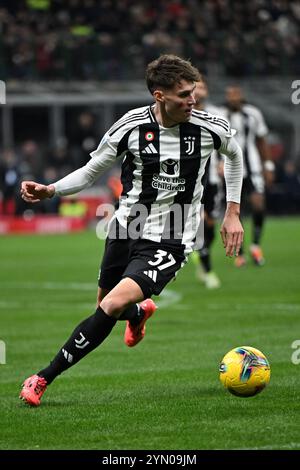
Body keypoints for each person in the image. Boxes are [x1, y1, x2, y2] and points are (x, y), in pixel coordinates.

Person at [19, 55, 244, 407]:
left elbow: (235, 155)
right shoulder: (131, 126)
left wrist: (232, 212)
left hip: (173, 233)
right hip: (128, 224)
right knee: (107, 307)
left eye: (193, 93)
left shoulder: (209, 127)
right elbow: (91, 171)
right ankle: (139, 314)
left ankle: (42, 377)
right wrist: (51, 190)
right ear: (159, 96)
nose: (192, 100)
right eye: (184, 94)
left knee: (110, 304)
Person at [219, 86, 273, 267]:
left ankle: (256, 245)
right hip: (229, 170)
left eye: (236, 95)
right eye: (230, 95)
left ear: (242, 96)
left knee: (258, 204)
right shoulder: (219, 115)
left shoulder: (253, 114)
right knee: (234, 208)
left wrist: (268, 165)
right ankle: (240, 252)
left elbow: (262, 140)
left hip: (253, 167)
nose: (233, 98)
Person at [191, 80, 224, 289]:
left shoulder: (217, 114)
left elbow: (227, 141)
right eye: (195, 88)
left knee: (210, 225)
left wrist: (223, 163)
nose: (199, 92)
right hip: (193, 180)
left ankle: (200, 252)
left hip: (212, 180)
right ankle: (209, 271)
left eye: (202, 87)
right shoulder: (182, 113)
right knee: (200, 223)